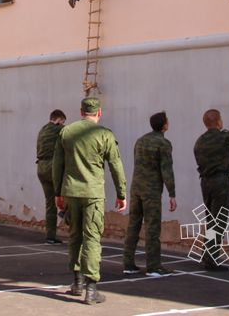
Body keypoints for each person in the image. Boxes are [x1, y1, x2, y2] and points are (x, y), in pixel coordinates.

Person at [52, 97, 127, 305]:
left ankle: (77, 282)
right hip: (93, 193)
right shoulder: (104, 135)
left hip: (70, 192)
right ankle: (91, 288)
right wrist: (122, 193)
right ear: (99, 113)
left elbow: (57, 165)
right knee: (92, 238)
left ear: (81, 111)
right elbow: (115, 165)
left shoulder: (66, 132)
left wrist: (57, 192)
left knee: (75, 235)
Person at [193, 109, 229, 271]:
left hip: (206, 183)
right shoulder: (223, 137)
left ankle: (208, 253)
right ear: (219, 122)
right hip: (220, 183)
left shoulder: (200, 141)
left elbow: (212, 164)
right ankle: (211, 259)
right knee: (219, 221)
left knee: (211, 220)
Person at [123, 111, 177, 277]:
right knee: (152, 227)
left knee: (133, 225)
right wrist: (172, 193)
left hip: (136, 187)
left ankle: (128, 263)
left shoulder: (140, 141)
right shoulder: (163, 143)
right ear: (164, 125)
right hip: (151, 190)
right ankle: (153, 266)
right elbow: (166, 170)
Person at [36, 109, 67, 244]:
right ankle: (66, 213)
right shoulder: (58, 130)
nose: (63, 124)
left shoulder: (42, 130)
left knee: (50, 203)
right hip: (52, 167)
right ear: (59, 120)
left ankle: (50, 236)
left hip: (41, 168)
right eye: (62, 122)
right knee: (68, 192)